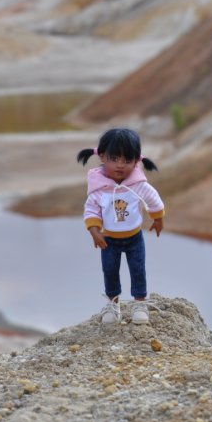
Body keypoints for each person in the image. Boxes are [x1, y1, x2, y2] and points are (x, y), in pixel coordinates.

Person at [77, 128, 165, 324]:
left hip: (135, 238)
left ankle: (140, 304)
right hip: (109, 240)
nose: (120, 165)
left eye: (127, 161)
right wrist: (94, 230)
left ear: (136, 161)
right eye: (114, 159)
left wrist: (158, 218)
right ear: (101, 156)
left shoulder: (137, 184)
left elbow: (153, 199)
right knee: (109, 270)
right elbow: (91, 210)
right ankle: (113, 305)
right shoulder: (99, 188)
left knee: (137, 269)